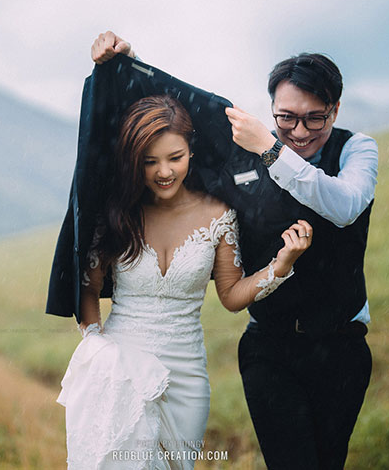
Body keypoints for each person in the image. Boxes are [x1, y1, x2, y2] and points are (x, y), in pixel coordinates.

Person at [92, 32, 378, 469]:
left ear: (335, 110)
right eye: (286, 118)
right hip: (270, 347)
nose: (299, 132)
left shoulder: (356, 150)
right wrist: (131, 67)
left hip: (342, 347)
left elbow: (344, 207)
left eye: (314, 119)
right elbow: (182, 114)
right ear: (271, 109)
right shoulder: (240, 157)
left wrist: (271, 145)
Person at [57, 93, 313, 469]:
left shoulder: (219, 215)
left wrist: (282, 263)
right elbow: (88, 290)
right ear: (134, 162)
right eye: (150, 161)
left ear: (190, 152)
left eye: (174, 158)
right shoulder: (116, 215)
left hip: (186, 379)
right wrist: (98, 347)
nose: (164, 171)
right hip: (119, 372)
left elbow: (231, 295)